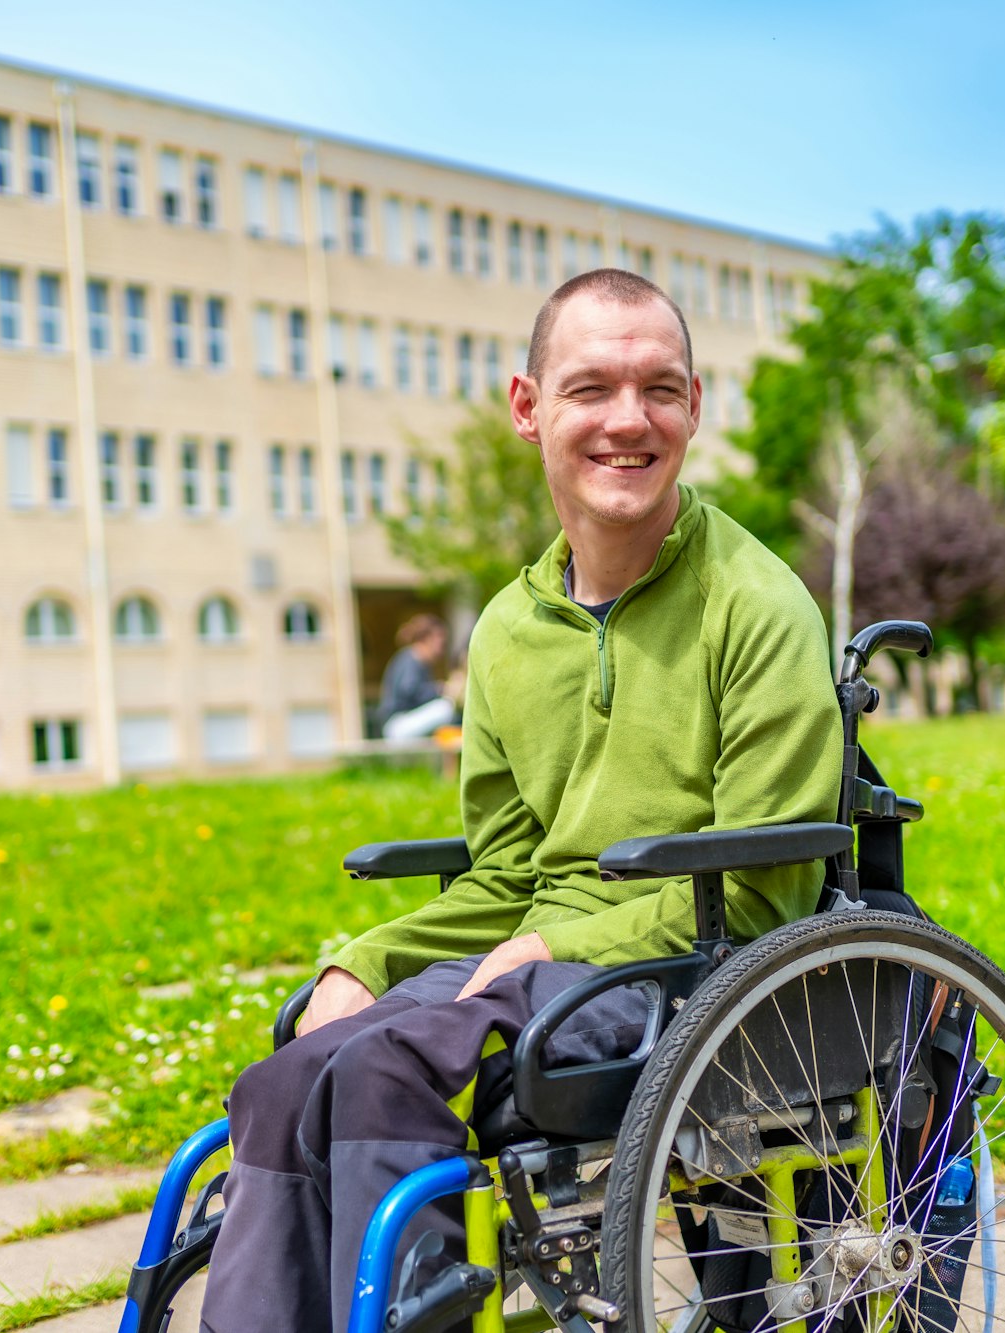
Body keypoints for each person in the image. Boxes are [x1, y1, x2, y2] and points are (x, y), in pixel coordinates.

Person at [198, 269, 843, 1332]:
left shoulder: (758, 603)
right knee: (289, 1074)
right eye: (590, 387)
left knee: (387, 1073)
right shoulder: (506, 629)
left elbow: (767, 888)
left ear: (694, 404)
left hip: (691, 967)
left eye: (660, 389)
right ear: (526, 407)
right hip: (543, 966)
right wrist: (366, 958)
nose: (628, 420)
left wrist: (549, 943)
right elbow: (505, 874)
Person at [377, 614, 460, 741]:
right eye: (440, 641)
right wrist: (440, 689)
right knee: (445, 708)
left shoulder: (419, 661)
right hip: (396, 726)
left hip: (403, 723)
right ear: (426, 639)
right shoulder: (410, 659)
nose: (442, 647)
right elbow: (410, 691)